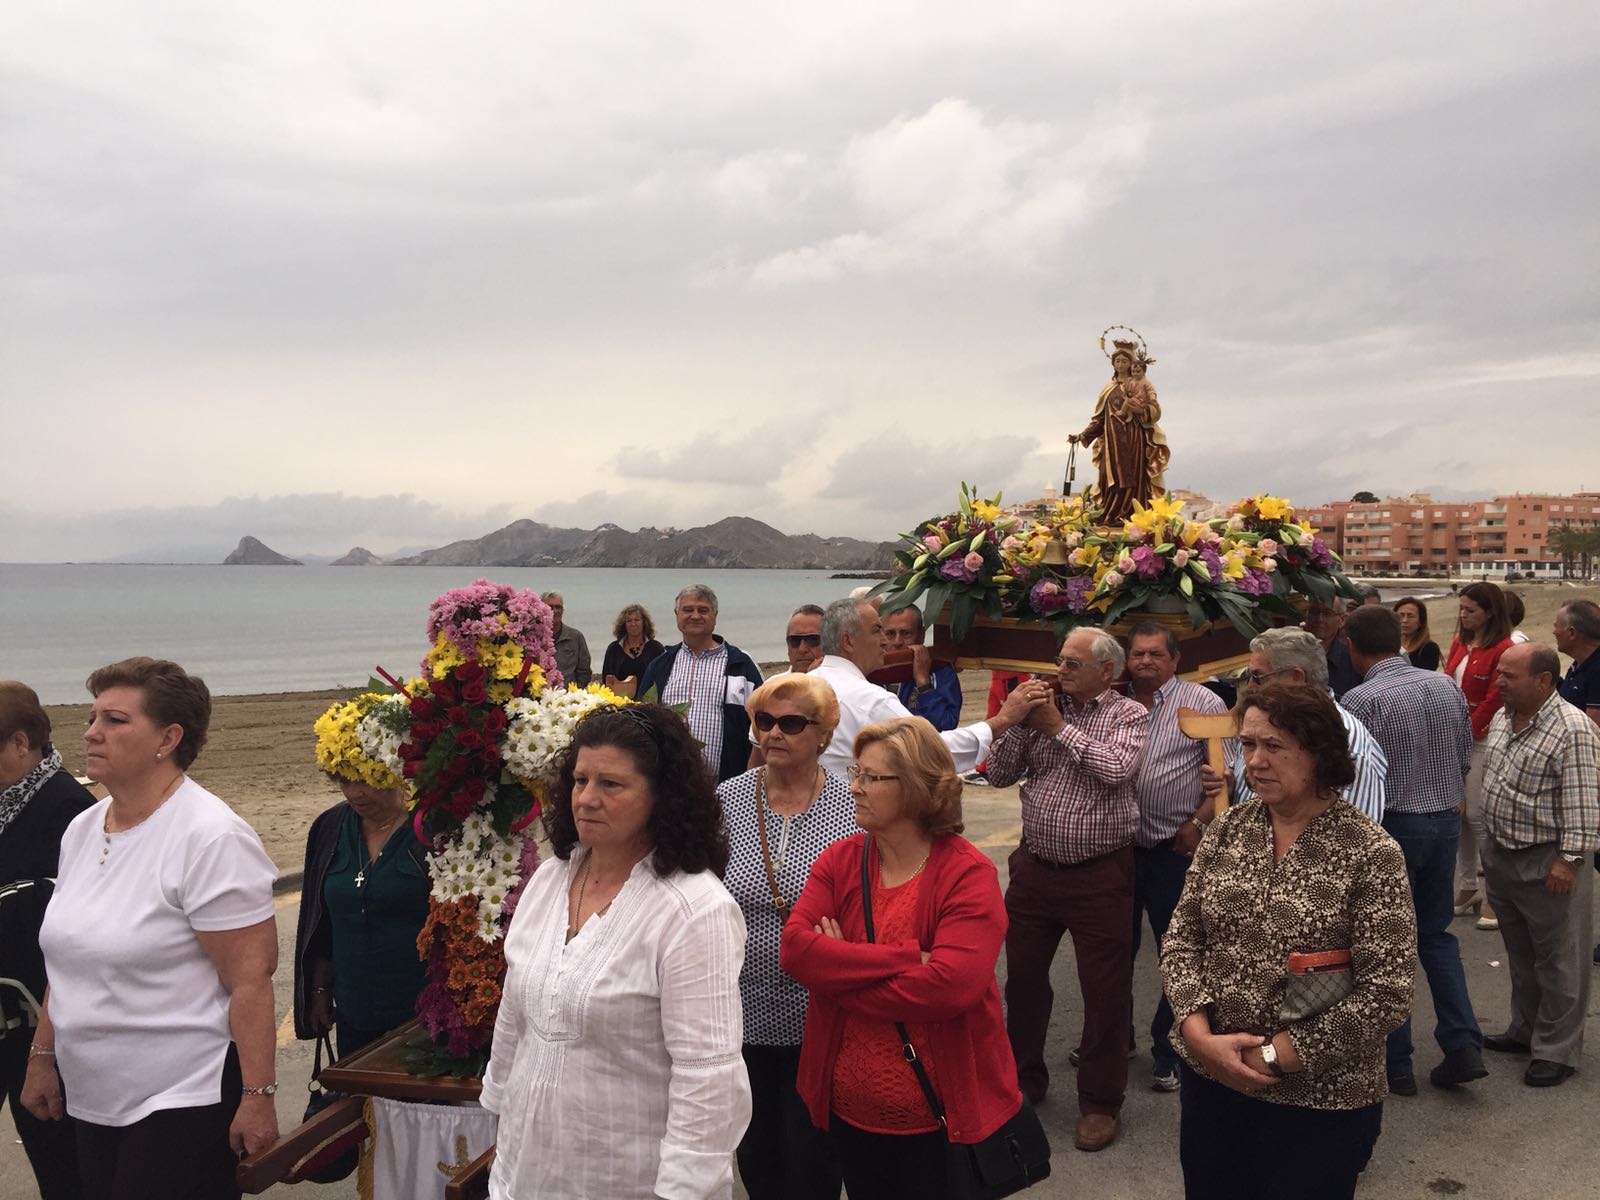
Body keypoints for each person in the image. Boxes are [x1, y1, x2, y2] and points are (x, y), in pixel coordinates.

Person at [23, 658, 279, 1199]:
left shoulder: (211, 837)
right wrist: (42, 1056)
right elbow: (67, 960)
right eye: (93, 717)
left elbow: (251, 981)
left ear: (168, 737)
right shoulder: (83, 828)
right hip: (92, 1094)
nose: (91, 732)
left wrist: (258, 1096)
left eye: (114, 720)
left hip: (181, 1099)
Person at [481, 704, 750, 1198]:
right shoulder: (550, 879)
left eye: (611, 785)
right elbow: (514, 1015)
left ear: (661, 797)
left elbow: (707, 1077)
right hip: (529, 1170)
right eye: (581, 780)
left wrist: (681, 1189)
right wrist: (497, 1111)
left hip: (630, 1178)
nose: (586, 799)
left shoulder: (694, 910)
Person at [1161, 683, 1415, 1200]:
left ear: (1320, 752)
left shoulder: (1369, 852)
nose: (1254, 761)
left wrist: (1272, 1059)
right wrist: (1199, 1037)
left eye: (1274, 746)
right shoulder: (1231, 828)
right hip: (1213, 1081)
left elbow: (1386, 992)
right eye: (1249, 744)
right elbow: (1182, 940)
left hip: (1321, 1100)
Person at [780, 718, 1026, 1200]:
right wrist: (909, 957)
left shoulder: (966, 874)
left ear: (916, 788)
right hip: (848, 1112)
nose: (854, 787)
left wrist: (840, 969)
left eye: (872, 777)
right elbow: (796, 951)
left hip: (940, 1119)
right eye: (856, 772)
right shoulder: (840, 862)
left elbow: (949, 988)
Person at [985, 628, 1148, 1152]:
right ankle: (1024, 1080)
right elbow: (1000, 777)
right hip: (1035, 868)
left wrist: (1056, 727)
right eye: (1061, 661)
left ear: (1107, 671)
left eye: (1074, 663)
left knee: (1104, 990)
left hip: (1100, 875)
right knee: (1023, 982)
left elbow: (1117, 771)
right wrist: (1012, 723)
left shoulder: (1129, 716)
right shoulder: (1042, 707)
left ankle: (1100, 1102)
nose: (1062, 671)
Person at [1340, 606, 1485, 1096]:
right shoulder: (1444, 685)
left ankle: (1396, 1063)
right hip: (1445, 819)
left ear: (1352, 647)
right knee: (1436, 935)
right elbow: (1465, 752)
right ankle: (1463, 1043)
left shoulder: (1361, 700)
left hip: (1395, 825)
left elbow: (1356, 773)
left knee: (1385, 943)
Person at [719, 674, 852, 1200]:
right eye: (764, 721)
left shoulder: (851, 807)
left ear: (822, 734)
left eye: (791, 723)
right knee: (756, 1152)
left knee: (815, 1155)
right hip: (740, 1011)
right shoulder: (725, 801)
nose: (774, 733)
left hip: (820, 1015)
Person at [1479, 644, 1600, 1088]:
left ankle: (1557, 1051)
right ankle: (1524, 1030)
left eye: (1509, 676)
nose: (1500, 682)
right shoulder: (1503, 717)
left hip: (1549, 860)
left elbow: (1585, 804)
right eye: (1500, 675)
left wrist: (1569, 862)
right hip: (1504, 856)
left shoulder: (1573, 729)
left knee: (1560, 958)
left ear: (1544, 681)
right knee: (1521, 953)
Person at [1121, 623, 1228, 1094]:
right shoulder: (1110, 699)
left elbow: (1226, 777)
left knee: (1178, 954)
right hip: (1117, 853)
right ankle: (1114, 1036)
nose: (1145, 661)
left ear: (1175, 659)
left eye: (1155, 654)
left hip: (1174, 851)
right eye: (1137, 653)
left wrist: (1199, 823)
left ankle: (1169, 1049)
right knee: (1112, 953)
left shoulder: (1202, 704)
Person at [294, 696, 432, 1058]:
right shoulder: (330, 827)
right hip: (355, 1018)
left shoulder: (430, 828)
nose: (355, 792)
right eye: (343, 779)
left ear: (392, 768)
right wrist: (320, 992)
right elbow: (321, 921)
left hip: (424, 1020)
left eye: (365, 778)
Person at [0, 682, 92, 1200]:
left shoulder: (69, 810)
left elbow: (67, 928)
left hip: (42, 1021)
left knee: (61, 1165)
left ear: (20, 743)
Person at [809, 598, 1039, 777]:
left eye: (903, 633)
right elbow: (933, 750)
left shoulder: (793, 685)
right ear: (848, 641)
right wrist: (1003, 720)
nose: (885, 641)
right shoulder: (871, 700)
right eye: (877, 631)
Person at [1225, 628, 1387, 823]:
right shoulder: (1260, 722)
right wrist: (1230, 786)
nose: (1250, 686)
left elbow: (1353, 836)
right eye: (1249, 744)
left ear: (1297, 678)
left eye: (1259, 677)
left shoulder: (1348, 743)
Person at [636, 584, 764, 783]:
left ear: (715, 616)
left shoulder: (742, 666)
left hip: (729, 785)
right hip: (670, 784)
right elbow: (641, 720)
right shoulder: (660, 666)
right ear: (677, 614)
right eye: (688, 610)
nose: (695, 616)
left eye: (703, 610)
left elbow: (761, 724)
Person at [1446, 582, 1514, 929]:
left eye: (1470, 609)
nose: (1463, 615)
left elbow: (1494, 698)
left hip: (1481, 740)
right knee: (1460, 818)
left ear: (1489, 612)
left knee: (1479, 816)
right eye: (1462, 608)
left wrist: (1466, 730)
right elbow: (1448, 683)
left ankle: (1494, 895)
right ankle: (1468, 885)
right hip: (1457, 736)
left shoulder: (1502, 648)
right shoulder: (1460, 643)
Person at [1069, 340, 1169, 526]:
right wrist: (1082, 436)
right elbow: (1099, 419)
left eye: (1125, 361)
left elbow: (1154, 411)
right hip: (1112, 441)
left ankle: (1133, 517)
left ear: (1132, 363)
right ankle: (1112, 513)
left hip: (1134, 439)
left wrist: (1139, 410)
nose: (1121, 365)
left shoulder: (1140, 385)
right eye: (1118, 361)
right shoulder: (1109, 388)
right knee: (1111, 476)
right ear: (1113, 363)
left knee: (1133, 477)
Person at [882, 604, 962, 732]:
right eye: (890, 634)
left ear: (922, 636)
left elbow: (945, 726)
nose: (897, 642)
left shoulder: (940, 670)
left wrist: (923, 682)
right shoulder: (870, 672)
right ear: (881, 636)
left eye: (906, 633)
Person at [1303, 598, 1362, 698]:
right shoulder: (1292, 653)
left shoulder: (1353, 659)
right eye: (1314, 612)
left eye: (1327, 613)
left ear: (1342, 620)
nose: (1319, 619)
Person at [1553, 599, 1600, 726]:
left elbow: (1593, 732)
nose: (1554, 632)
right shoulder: (1580, 664)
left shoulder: (1597, 670)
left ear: (1571, 633)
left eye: (1556, 627)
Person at [601, 603, 665, 693]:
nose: (633, 624)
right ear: (624, 625)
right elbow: (606, 682)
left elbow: (663, 678)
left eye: (637, 620)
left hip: (649, 704)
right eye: (629, 621)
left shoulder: (656, 648)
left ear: (644, 623)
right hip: (620, 704)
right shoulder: (613, 649)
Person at [542, 591, 593, 687]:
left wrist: (574, 693)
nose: (555, 611)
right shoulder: (534, 638)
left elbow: (584, 671)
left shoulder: (576, 637)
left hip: (567, 698)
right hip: (537, 698)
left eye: (558, 607)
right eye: (550, 607)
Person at [1395, 596, 1442, 671]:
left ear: (1421, 621)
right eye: (1401, 615)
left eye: (1410, 616)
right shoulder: (1389, 645)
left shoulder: (1429, 648)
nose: (1404, 620)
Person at [783, 605, 826, 674]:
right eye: (795, 641)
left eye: (812, 640)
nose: (802, 649)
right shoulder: (773, 684)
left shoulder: (844, 682)